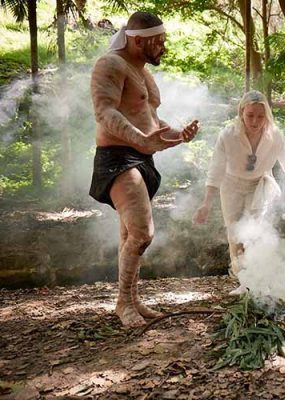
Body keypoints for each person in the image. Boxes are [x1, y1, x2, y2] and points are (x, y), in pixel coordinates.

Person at [89, 11, 200, 327]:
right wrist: (141, 140)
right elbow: (104, 112)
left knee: (130, 234)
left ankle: (133, 299)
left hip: (142, 159)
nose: (163, 47)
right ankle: (124, 303)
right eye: (158, 41)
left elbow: (148, 120)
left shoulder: (142, 73)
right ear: (138, 41)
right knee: (142, 232)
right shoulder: (110, 64)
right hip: (117, 158)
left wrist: (179, 134)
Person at [192, 90, 285, 294]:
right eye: (250, 115)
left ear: (267, 116)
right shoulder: (228, 135)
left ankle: (257, 280)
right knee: (234, 234)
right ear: (241, 113)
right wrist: (206, 203)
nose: (255, 121)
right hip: (231, 186)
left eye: (260, 116)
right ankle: (243, 281)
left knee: (254, 232)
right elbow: (216, 169)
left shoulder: (274, 134)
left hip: (259, 185)